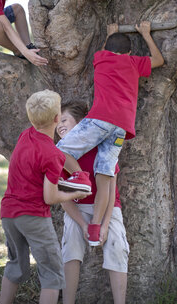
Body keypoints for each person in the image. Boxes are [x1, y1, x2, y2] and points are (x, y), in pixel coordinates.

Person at [56, 21, 164, 245]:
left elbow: (106, 50)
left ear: (107, 49)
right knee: (104, 174)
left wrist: (110, 33)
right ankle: (95, 228)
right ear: (130, 52)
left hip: (100, 119)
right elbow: (159, 60)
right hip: (121, 127)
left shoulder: (100, 58)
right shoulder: (134, 62)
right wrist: (146, 34)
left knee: (59, 151)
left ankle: (79, 177)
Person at [0, 90, 91, 304]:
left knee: (15, 265)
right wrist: (77, 191)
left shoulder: (26, 135)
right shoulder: (52, 154)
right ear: (57, 118)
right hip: (34, 216)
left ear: (31, 118)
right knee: (52, 275)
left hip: (8, 214)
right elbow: (49, 197)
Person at [56, 101, 128, 304]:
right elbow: (63, 199)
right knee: (70, 246)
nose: (59, 125)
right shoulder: (60, 155)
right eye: (57, 123)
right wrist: (83, 224)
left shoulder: (102, 147)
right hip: (77, 209)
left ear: (81, 124)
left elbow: (111, 190)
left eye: (64, 120)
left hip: (107, 209)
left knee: (117, 247)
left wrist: (103, 225)